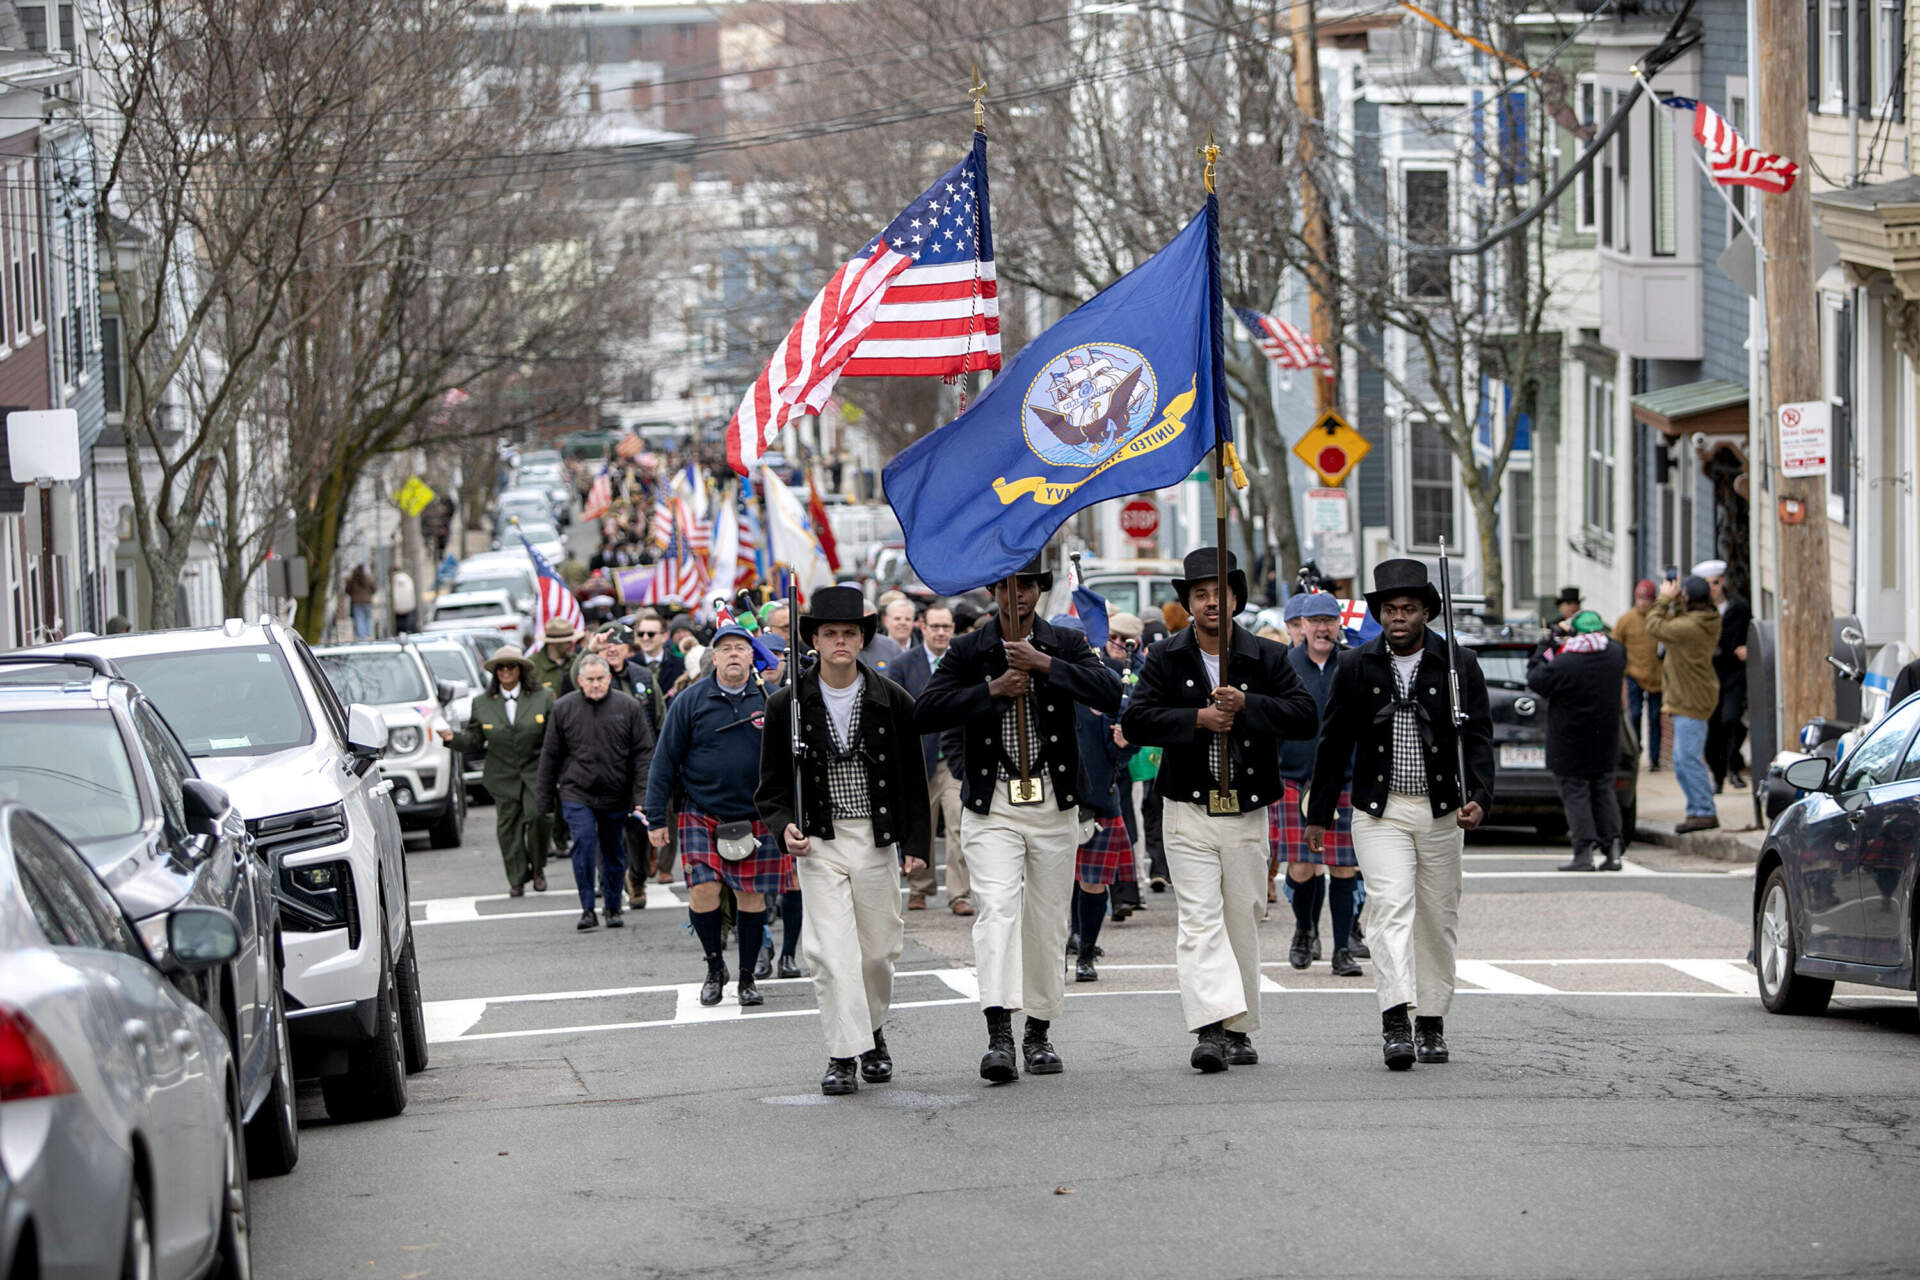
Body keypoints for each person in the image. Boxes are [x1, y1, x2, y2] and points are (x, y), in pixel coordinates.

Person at [915, 554, 1122, 1082]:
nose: (1018, 595)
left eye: (1028, 585)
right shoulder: (968, 650)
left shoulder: (1066, 643)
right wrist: (991, 690)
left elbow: (1109, 692)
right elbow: (927, 712)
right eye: (1008, 586)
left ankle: (1040, 1033)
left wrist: (1043, 664)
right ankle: (999, 1033)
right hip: (994, 802)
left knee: (1048, 920)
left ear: (1040, 591)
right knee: (997, 912)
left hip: (1054, 801)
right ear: (993, 592)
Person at [1121, 548, 1317, 1072]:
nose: (1211, 602)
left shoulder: (1268, 657)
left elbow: (1303, 716)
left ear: (1235, 599)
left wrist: (1248, 706)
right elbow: (1137, 720)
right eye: (1200, 594)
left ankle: (1239, 1027)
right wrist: (1199, 719)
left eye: (1219, 593)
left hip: (1248, 809)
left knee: (1242, 917)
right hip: (1187, 807)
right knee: (1200, 920)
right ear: (1187, 603)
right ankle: (1209, 1027)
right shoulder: (1166, 657)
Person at [1307, 559, 1493, 1071]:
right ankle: (1395, 1020)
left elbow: (1477, 737)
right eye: (1389, 609)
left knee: (1437, 918)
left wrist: (1479, 794)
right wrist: (1318, 814)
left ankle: (1430, 1022)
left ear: (1428, 613)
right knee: (1389, 909)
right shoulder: (1356, 666)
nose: (1398, 617)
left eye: (1408, 609)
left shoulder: (1458, 664)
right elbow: (1334, 741)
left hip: (1440, 812)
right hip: (1379, 812)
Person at [756, 587, 931, 1096]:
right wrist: (783, 823)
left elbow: (912, 779)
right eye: (830, 633)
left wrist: (916, 840)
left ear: (862, 639)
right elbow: (770, 784)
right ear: (813, 639)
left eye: (849, 633)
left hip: (875, 839)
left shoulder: (891, 698)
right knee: (831, 953)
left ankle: (873, 1034)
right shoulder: (785, 703)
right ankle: (842, 1054)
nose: (840, 641)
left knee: (877, 954)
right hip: (819, 840)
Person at [645, 626, 790, 1007]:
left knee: (752, 898)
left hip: (758, 813)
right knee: (703, 891)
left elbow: (791, 763)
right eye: (725, 649)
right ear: (715, 656)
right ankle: (714, 967)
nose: (733, 655)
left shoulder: (771, 700)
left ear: (751, 655)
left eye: (740, 648)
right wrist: (657, 819)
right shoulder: (690, 701)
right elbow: (664, 761)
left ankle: (746, 979)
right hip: (702, 812)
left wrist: (793, 814)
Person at [1275, 593, 1363, 977]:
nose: (1323, 627)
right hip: (1294, 778)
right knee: (1302, 866)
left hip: (1343, 779)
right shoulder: (1283, 665)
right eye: (1316, 621)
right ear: (1303, 626)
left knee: (1344, 867)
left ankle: (1342, 949)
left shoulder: (1353, 664)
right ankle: (1304, 929)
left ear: (1339, 624)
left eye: (1330, 620)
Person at [535, 654, 654, 930]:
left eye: (601, 679)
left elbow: (643, 755)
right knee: (585, 843)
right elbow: (550, 756)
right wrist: (544, 802)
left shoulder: (629, 707)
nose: (596, 685)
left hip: (616, 793)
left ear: (609, 679)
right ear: (580, 681)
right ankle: (587, 908)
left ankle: (613, 907)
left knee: (613, 852)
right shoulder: (564, 708)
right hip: (577, 792)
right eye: (590, 680)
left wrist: (641, 798)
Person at [1052, 613, 1135, 984]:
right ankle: (1056, 952)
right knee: (1051, 885)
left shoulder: (1103, 686)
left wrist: (1125, 743)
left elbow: (1119, 752)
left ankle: (1086, 952)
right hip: (1052, 802)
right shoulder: (1041, 687)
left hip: (1098, 798)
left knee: (1093, 882)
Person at [443, 646, 554, 896]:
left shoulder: (543, 697)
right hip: (502, 775)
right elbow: (474, 739)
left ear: (520, 670)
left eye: (511, 666)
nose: (506, 671)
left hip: (535, 771)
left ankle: (538, 867)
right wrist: (452, 738)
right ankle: (516, 878)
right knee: (508, 827)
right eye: (501, 668)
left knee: (539, 817)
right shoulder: (481, 703)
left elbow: (553, 738)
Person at [1527, 611, 1629, 871]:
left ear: (1575, 634)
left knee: (1576, 795)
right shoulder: (1616, 654)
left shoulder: (1565, 663)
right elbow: (1612, 646)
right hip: (1605, 739)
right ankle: (1613, 848)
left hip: (1570, 741)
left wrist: (1547, 644)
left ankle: (1583, 852)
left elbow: (1536, 679)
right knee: (1603, 792)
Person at [892, 602, 970, 914]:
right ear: (922, 628)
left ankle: (959, 894)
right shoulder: (903, 664)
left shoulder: (963, 662)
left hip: (952, 760)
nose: (940, 633)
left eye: (946, 627)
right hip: (917, 759)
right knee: (922, 824)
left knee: (958, 825)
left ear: (953, 629)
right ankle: (920, 888)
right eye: (935, 627)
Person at [1646, 576, 1722, 833]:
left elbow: (1654, 626)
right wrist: (1679, 600)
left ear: (1689, 600)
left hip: (1690, 700)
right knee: (1681, 760)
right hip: (1693, 696)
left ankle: (1704, 811)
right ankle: (1696, 809)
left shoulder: (1688, 628)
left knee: (1688, 758)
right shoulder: (1706, 620)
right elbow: (1680, 619)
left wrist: (1665, 598)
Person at [1695, 559, 1752, 791]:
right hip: (1709, 676)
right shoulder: (1700, 612)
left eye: (1716, 582)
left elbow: (1751, 632)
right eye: (1708, 584)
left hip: (1733, 674)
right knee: (1713, 727)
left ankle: (1732, 768)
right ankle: (1717, 775)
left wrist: (1749, 648)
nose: (1713, 588)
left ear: (1723, 582)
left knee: (1732, 720)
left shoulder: (1738, 608)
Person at [1613, 580, 1664, 770]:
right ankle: (1635, 752)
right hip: (1634, 673)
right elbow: (1616, 644)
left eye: (1647, 600)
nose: (1643, 604)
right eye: (1640, 599)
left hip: (1656, 676)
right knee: (1634, 715)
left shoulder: (1660, 619)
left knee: (1655, 717)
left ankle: (1655, 759)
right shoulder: (1627, 619)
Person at [632, 609, 685, 690]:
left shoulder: (680, 665)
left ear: (665, 636)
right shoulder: (629, 665)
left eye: (651, 634)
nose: (645, 638)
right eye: (641, 634)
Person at [528, 618, 581, 698]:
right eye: (567, 642)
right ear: (553, 643)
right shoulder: (532, 666)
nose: (571, 645)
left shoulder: (577, 661)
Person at [345, 563, 377, 639]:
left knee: (359, 620)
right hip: (367, 602)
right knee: (368, 619)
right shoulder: (368, 578)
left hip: (357, 603)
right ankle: (368, 636)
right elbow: (374, 588)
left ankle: (361, 637)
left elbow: (347, 590)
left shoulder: (353, 580)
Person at [390, 565, 417, 634]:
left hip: (397, 607)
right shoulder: (407, 578)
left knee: (399, 626)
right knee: (407, 624)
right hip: (409, 606)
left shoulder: (394, 580)